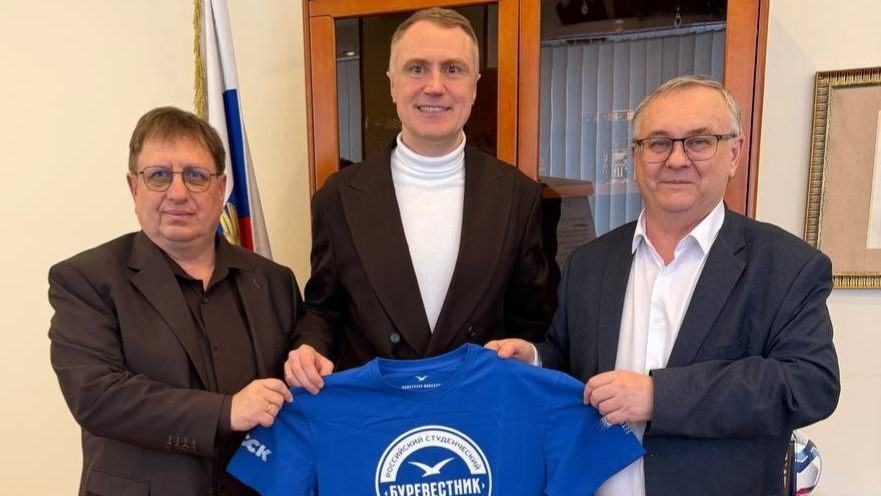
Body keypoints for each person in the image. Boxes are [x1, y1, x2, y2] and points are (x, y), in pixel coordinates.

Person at [486, 75, 840, 495]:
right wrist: (533, 359)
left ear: (734, 153)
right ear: (636, 157)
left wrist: (659, 396)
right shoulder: (589, 263)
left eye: (699, 141)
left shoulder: (786, 266)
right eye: (658, 143)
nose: (676, 159)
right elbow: (569, 361)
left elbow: (810, 383)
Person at [286, 7, 550, 392]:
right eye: (417, 68)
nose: (435, 86)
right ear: (392, 84)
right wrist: (309, 347)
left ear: (474, 86)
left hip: (475, 412)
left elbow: (534, 325)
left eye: (453, 69)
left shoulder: (518, 196)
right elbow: (324, 310)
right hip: (378, 413)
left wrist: (529, 351)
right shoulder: (338, 196)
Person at [48, 107, 302, 496]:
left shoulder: (273, 281)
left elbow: (300, 381)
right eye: (159, 176)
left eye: (196, 176)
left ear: (221, 188)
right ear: (134, 187)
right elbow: (97, 396)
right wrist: (226, 411)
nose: (178, 193)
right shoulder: (86, 279)